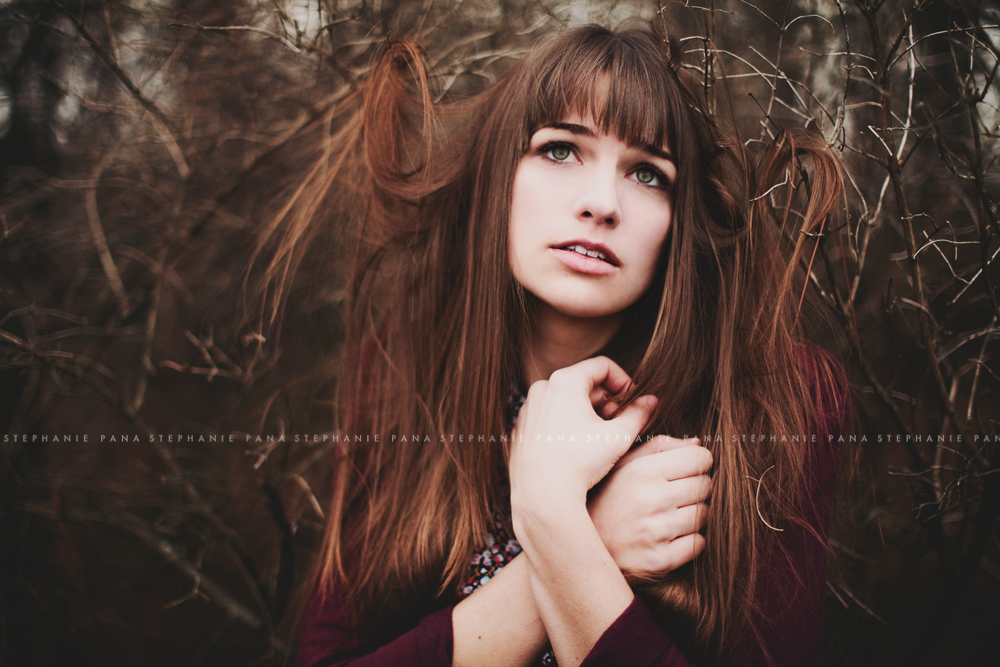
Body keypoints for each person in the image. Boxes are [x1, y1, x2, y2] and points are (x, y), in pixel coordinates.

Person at [285, 22, 849, 667]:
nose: (601, 203)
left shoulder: (781, 401)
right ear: (500, 175)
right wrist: (576, 535)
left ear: (678, 222)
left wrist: (553, 521)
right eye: (560, 151)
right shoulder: (402, 369)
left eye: (648, 174)